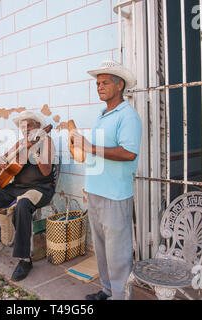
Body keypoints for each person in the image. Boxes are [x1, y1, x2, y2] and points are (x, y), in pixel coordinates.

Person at [69, 60, 142, 300]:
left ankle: (120, 296)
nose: (99, 86)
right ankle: (107, 291)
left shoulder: (128, 116)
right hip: (96, 191)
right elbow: (96, 153)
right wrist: (88, 183)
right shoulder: (103, 115)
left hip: (116, 195)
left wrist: (89, 147)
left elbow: (128, 153)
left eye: (105, 82)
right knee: (101, 250)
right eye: (98, 83)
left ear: (119, 85)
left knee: (118, 254)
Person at [0, 111, 56, 282]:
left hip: (40, 188)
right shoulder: (20, 143)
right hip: (16, 187)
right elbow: (5, 159)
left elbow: (46, 171)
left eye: (29, 125)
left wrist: (35, 150)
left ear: (38, 126)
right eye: (23, 126)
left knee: (23, 205)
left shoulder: (46, 141)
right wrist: (1, 160)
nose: (26, 129)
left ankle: (25, 259)